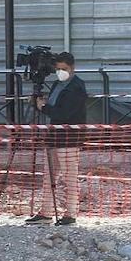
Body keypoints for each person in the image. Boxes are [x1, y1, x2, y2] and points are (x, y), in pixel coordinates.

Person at [26, 52, 87, 226]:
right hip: (53, 137)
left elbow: (64, 113)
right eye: (58, 69)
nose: (61, 72)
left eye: (64, 69)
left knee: (69, 176)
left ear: (72, 68)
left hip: (69, 139)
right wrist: (41, 104)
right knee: (49, 176)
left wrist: (44, 107)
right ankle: (45, 212)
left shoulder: (77, 87)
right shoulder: (56, 84)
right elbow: (53, 108)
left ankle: (71, 213)